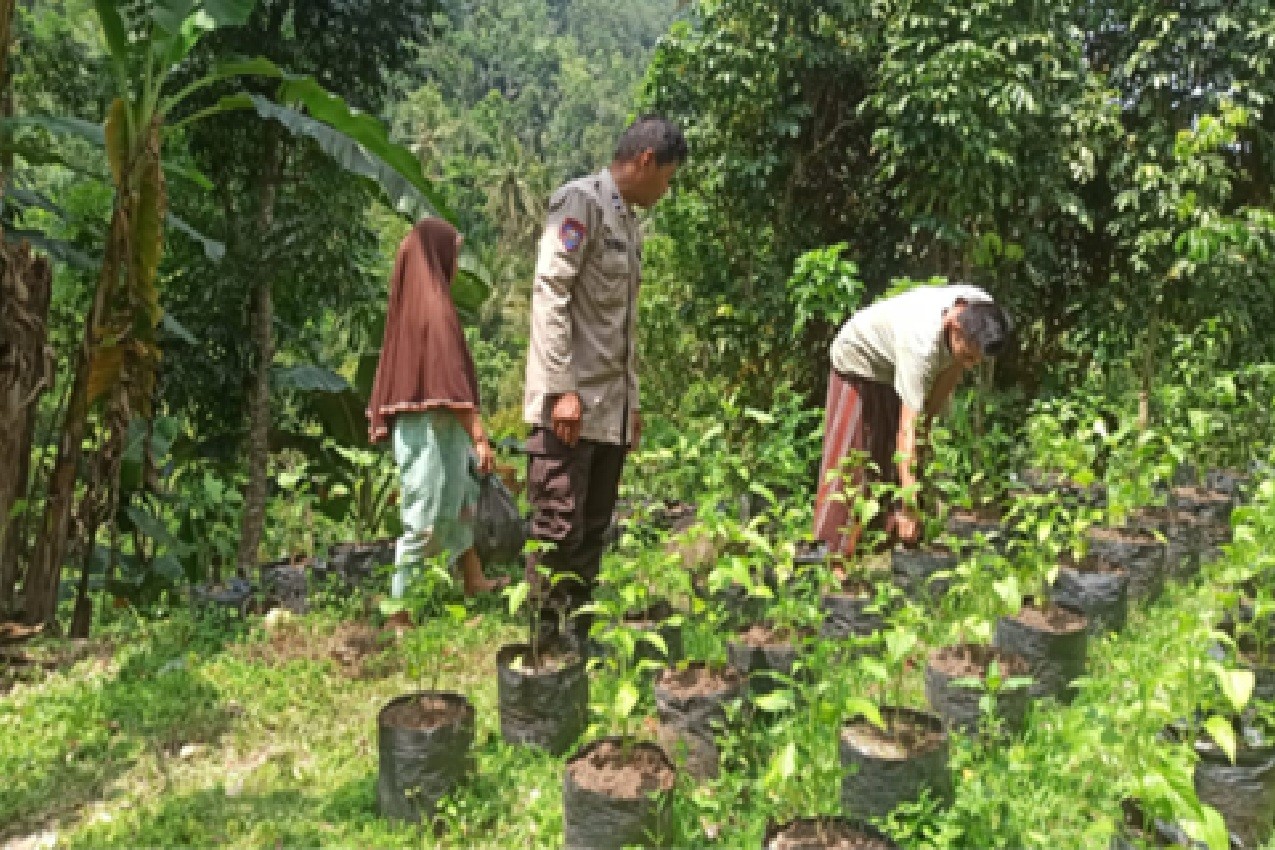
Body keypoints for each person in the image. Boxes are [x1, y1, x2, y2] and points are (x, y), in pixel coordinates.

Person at [523, 115, 688, 642]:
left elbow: (621, 327)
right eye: (668, 176)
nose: (667, 189)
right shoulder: (581, 205)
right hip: (570, 407)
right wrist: (560, 390)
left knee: (593, 531)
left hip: (608, 409)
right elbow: (550, 294)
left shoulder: (628, 224)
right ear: (646, 162)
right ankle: (544, 646)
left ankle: (578, 635)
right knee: (557, 527)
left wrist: (630, 403)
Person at [813, 283, 1012, 561]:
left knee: (892, 459)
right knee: (853, 463)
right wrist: (909, 505)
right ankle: (832, 559)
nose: (970, 365)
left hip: (893, 367)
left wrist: (925, 427)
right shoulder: (920, 342)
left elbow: (950, 372)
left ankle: (879, 550)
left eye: (976, 361)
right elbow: (906, 433)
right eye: (968, 356)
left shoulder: (980, 309)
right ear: (954, 327)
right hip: (857, 360)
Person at [366, 218, 509, 599]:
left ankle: (473, 579)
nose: (457, 266)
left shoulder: (413, 308)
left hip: (434, 426)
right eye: (454, 255)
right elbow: (449, 382)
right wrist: (480, 437)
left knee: (460, 503)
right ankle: (398, 608)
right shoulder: (435, 311)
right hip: (428, 429)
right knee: (423, 519)